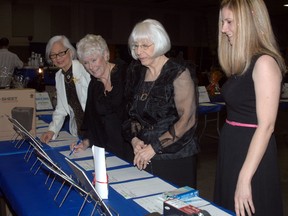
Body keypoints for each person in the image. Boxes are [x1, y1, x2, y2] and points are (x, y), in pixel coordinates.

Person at [214, 1, 287, 216]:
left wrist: (244, 178)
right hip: (233, 147)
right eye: (222, 22)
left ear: (248, 22)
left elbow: (266, 126)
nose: (223, 29)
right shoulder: (243, 63)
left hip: (252, 153)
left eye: (229, 22)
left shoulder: (264, 63)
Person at [122, 19, 199, 188]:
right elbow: (131, 114)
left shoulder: (178, 72)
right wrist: (135, 140)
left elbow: (187, 120)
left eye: (145, 45)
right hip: (142, 153)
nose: (139, 51)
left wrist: (154, 148)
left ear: (159, 44)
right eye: (135, 46)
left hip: (174, 156)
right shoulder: (137, 71)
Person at [71, 34, 132, 161]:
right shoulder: (94, 86)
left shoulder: (126, 75)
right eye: (86, 63)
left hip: (131, 150)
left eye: (94, 60)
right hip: (108, 152)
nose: (91, 67)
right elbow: (94, 122)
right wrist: (86, 143)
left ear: (106, 55)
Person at [40, 35, 90, 144]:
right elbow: (61, 108)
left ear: (70, 52)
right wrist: (52, 130)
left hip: (95, 128)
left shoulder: (84, 68)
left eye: (61, 53)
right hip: (78, 131)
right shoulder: (59, 76)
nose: (58, 58)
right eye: (53, 55)